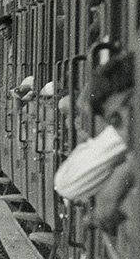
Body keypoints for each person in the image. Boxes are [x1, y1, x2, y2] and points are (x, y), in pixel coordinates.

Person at [53, 54, 133, 205]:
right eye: (115, 120)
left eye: (130, 104)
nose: (128, 120)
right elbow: (66, 184)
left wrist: (129, 171)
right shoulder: (124, 130)